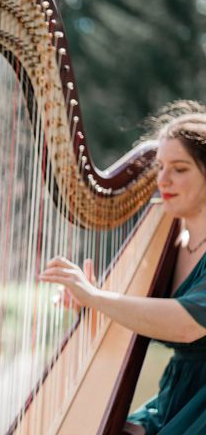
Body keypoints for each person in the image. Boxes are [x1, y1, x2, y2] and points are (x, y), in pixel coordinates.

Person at [40, 100, 206, 435]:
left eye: (179, 168)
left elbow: (186, 326)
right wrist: (89, 307)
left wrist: (97, 298)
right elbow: (145, 316)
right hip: (176, 397)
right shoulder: (170, 241)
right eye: (160, 167)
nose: (163, 179)